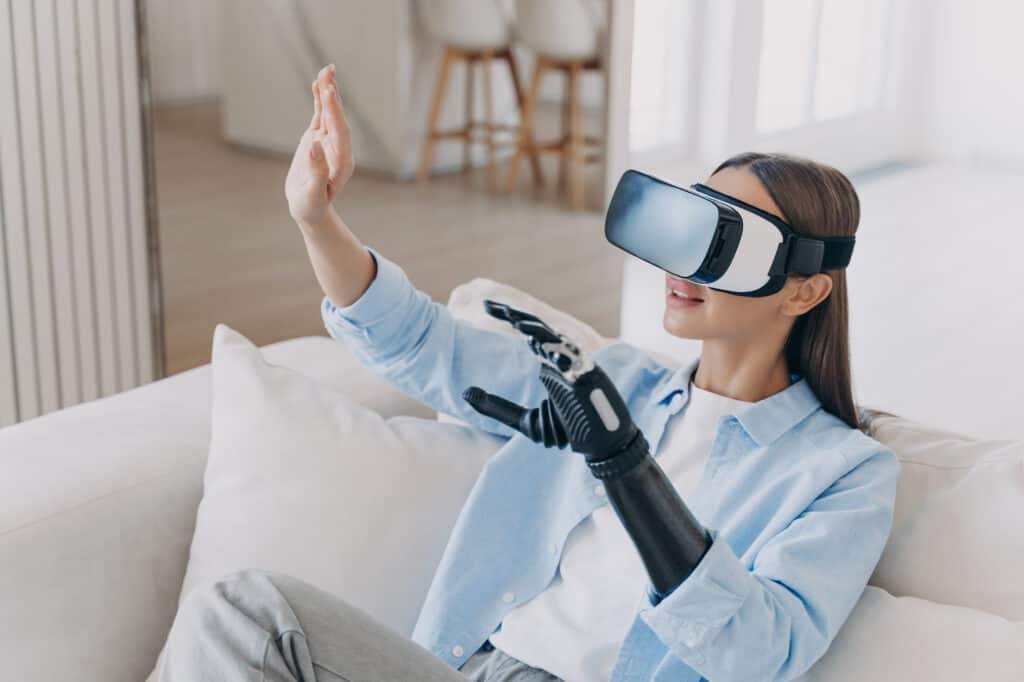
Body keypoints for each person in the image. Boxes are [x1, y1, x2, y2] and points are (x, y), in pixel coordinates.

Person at [159, 64, 900, 682]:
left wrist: (629, 469)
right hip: (467, 667)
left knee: (249, 610)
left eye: (725, 240)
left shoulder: (843, 473)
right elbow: (423, 346)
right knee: (240, 616)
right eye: (689, 223)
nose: (683, 264)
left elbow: (757, 652)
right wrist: (316, 218)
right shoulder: (611, 382)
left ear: (805, 289)